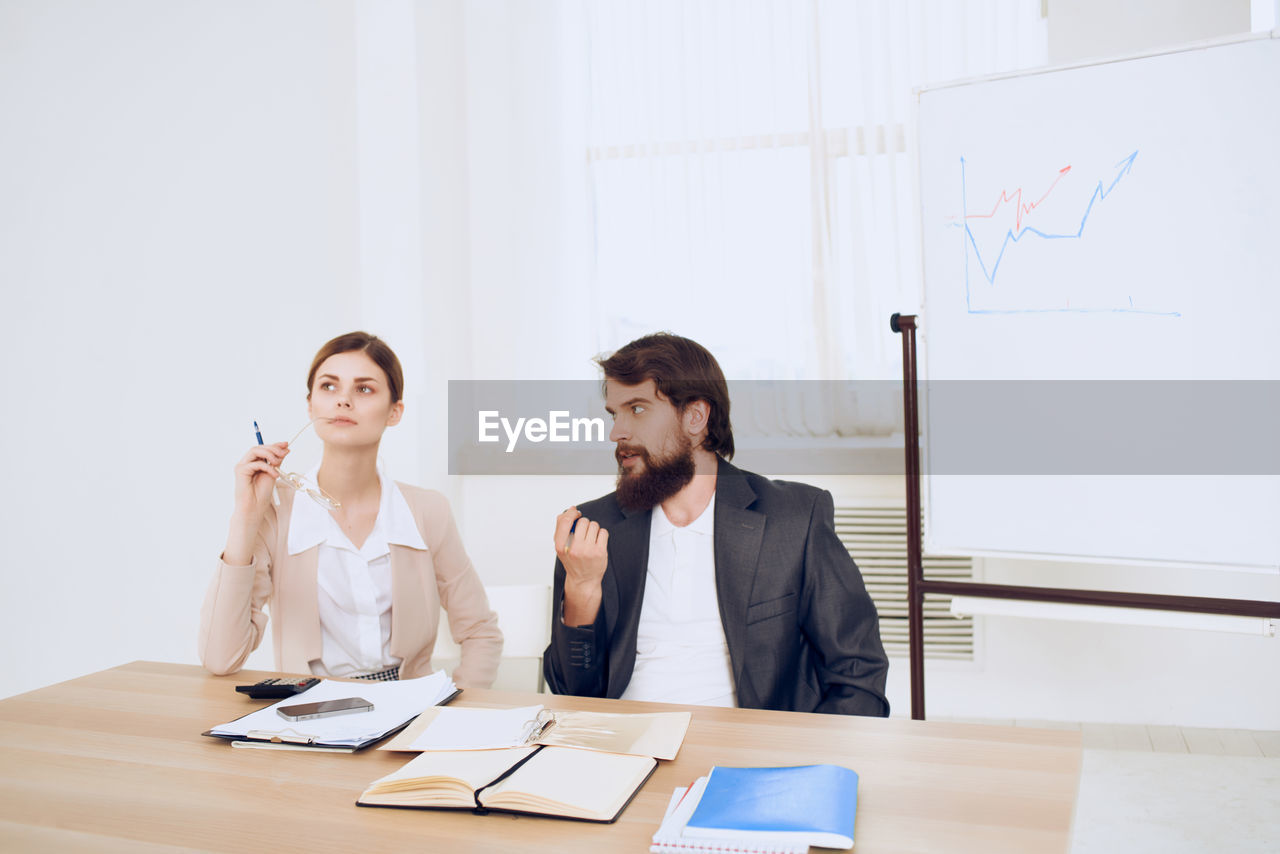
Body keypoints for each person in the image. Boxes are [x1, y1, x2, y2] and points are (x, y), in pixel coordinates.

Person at [543, 333, 888, 715]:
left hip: (745, 750)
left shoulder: (793, 517)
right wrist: (582, 590)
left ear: (695, 418)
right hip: (626, 746)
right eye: (614, 414)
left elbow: (858, 672)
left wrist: (805, 764)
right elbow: (569, 691)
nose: (617, 432)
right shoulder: (594, 529)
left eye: (637, 410)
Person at [200, 331, 502, 687]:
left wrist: (455, 711)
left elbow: (482, 633)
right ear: (310, 406)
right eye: (328, 387)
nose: (343, 400)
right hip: (309, 718)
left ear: (394, 412)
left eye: (363, 389)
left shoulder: (427, 511)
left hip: (411, 713)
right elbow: (221, 658)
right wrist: (246, 518)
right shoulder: (277, 511)